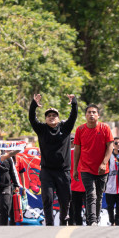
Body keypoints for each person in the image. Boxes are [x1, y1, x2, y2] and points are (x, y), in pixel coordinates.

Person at [29, 93, 78, 225]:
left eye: (54, 115)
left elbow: (73, 117)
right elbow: (32, 119)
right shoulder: (42, 129)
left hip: (63, 171)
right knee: (48, 199)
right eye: (48, 116)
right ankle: (49, 224)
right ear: (45, 119)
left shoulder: (65, 128)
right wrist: (34, 105)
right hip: (47, 171)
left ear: (58, 118)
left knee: (65, 199)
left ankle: (63, 221)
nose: (51, 117)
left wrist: (74, 102)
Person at [73, 104, 114, 225]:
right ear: (85, 115)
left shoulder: (105, 128)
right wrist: (75, 169)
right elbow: (77, 150)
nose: (91, 114)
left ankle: (96, 219)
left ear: (98, 115)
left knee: (99, 196)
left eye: (94, 112)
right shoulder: (80, 130)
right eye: (89, 112)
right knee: (91, 194)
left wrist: (104, 163)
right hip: (86, 168)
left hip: (102, 169)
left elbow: (110, 146)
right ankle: (91, 221)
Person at [0, 148, 22, 226]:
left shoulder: (8, 158)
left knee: (5, 207)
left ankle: (4, 227)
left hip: (6, 186)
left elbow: (13, 172)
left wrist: (16, 185)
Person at [104, 137, 119, 225]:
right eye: (116, 143)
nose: (118, 145)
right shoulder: (108, 155)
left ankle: (117, 223)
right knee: (110, 207)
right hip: (110, 186)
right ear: (113, 144)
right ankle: (112, 221)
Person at [69, 140, 85, 225]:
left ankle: (77, 226)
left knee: (76, 211)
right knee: (88, 211)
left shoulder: (69, 153)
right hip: (79, 186)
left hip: (76, 186)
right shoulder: (69, 153)